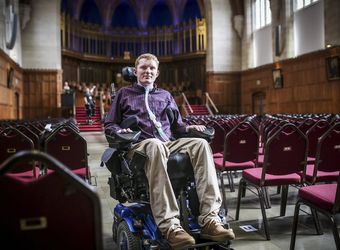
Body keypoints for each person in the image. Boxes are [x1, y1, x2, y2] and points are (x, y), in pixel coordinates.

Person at [104, 53, 235, 249]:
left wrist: (191, 129)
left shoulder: (165, 96)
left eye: (151, 69)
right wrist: (119, 130)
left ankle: (210, 219)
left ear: (157, 73)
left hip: (167, 143)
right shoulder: (124, 94)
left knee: (200, 145)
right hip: (138, 146)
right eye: (143, 67)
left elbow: (178, 127)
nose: (147, 71)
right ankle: (170, 225)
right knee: (154, 145)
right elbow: (109, 124)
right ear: (135, 70)